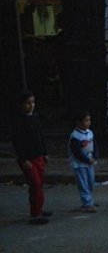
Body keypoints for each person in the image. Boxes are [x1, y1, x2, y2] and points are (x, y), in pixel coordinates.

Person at [11, 90, 52, 225]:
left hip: (38, 155)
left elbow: (41, 136)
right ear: (20, 105)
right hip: (28, 158)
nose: (31, 105)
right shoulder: (18, 121)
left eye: (33, 102)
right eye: (28, 103)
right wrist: (23, 159)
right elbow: (18, 142)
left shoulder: (35, 118)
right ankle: (36, 213)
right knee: (35, 184)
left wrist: (45, 152)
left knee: (39, 183)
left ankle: (37, 209)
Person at [68, 110, 100, 213]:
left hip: (90, 162)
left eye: (89, 120)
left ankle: (89, 200)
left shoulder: (90, 133)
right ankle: (87, 203)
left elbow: (95, 146)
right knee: (83, 183)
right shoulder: (75, 136)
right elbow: (76, 152)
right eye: (86, 120)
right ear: (78, 122)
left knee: (90, 182)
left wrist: (95, 156)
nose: (88, 122)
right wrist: (86, 160)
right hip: (80, 164)